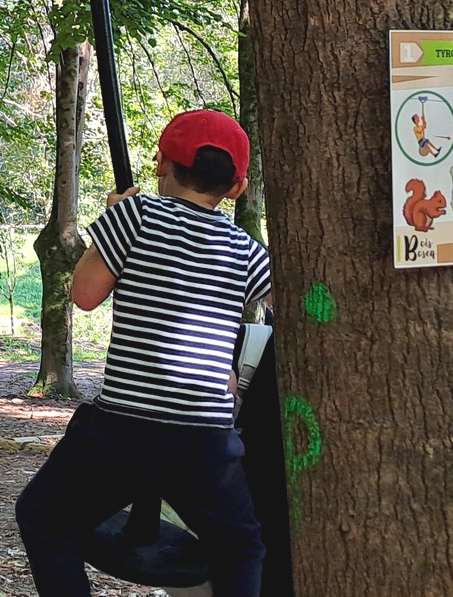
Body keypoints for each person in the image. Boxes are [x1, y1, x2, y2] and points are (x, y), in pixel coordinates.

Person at [14, 109, 270, 597]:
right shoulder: (246, 249)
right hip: (207, 442)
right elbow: (280, 304)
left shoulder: (134, 216)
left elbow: (85, 294)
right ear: (235, 188)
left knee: (45, 518)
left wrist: (112, 218)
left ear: (160, 165)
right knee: (240, 547)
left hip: (124, 434)